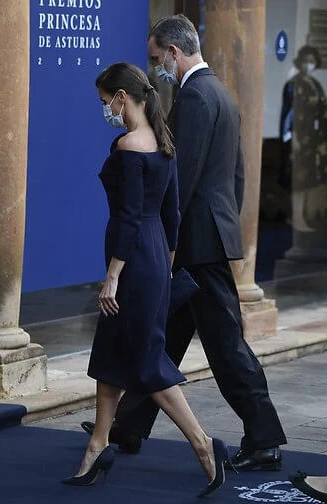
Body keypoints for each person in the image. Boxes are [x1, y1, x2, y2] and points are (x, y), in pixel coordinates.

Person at [81, 14, 287, 472]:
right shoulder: (222, 93)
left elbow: (180, 177)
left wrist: (165, 247)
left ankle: (264, 437)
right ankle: (128, 426)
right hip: (207, 237)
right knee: (162, 338)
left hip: (194, 246)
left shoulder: (194, 97)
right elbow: (234, 176)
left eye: (156, 59)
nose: (155, 69)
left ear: (174, 52)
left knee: (226, 342)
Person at [62, 62, 230, 497]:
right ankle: (97, 447)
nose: (105, 110)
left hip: (133, 261)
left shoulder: (129, 147)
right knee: (112, 353)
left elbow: (130, 218)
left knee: (147, 362)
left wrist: (113, 276)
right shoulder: (164, 142)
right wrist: (166, 265)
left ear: (122, 97)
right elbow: (170, 215)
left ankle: (204, 445)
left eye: (105, 102)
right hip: (155, 258)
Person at [279, 45, 327, 231]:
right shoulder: (292, 85)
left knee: (309, 180)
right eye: (306, 61)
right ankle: (296, 217)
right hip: (299, 139)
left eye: (312, 61)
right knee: (297, 180)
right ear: (300, 62)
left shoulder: (315, 85)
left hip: (315, 140)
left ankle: (305, 215)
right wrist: (292, 139)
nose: (309, 64)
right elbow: (289, 114)